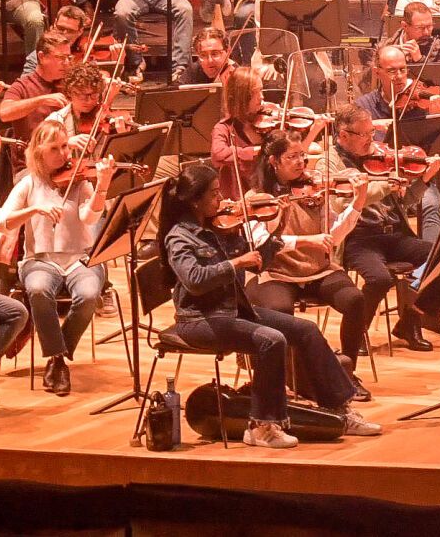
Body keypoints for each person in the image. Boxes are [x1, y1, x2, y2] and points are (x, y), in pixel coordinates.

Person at [157, 160, 379, 449]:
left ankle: (339, 408)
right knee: (270, 341)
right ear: (195, 201)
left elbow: (259, 254)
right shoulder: (179, 238)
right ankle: (262, 425)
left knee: (306, 330)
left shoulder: (219, 227)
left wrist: (275, 228)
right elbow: (195, 280)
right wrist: (237, 262)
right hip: (199, 320)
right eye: (214, 194)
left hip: (231, 310)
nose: (223, 200)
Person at [0, 122, 116, 395]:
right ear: (38, 152)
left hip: (80, 258)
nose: (63, 154)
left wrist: (102, 186)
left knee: (90, 293)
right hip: (40, 259)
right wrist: (34, 208)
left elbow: (90, 217)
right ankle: (57, 358)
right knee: (37, 289)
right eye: (54, 148)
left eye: (65, 147)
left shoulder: (79, 180)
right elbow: (2, 222)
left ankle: (57, 355)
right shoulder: (28, 183)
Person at [321, 106, 440, 353]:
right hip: (359, 238)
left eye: (372, 132)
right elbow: (339, 202)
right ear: (344, 134)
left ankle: (412, 318)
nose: (372, 139)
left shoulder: (381, 157)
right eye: (364, 134)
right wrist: (385, 186)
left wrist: (424, 180)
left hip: (393, 233)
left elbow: (405, 203)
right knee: (380, 279)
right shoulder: (329, 163)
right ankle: (356, 334)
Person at [249, 132, 372, 376]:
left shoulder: (312, 193)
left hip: (317, 271)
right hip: (276, 274)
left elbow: (333, 237)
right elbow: (260, 242)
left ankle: (347, 372)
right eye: (292, 157)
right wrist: (303, 239)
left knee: (355, 300)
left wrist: (357, 203)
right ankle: (290, 375)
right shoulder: (257, 199)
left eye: (302, 156)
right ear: (273, 161)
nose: (301, 162)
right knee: (280, 310)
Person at [209, 67, 272, 198]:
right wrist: (255, 151)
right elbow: (217, 155)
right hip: (239, 201)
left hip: (270, 194)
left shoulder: (268, 124)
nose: (262, 97)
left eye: (261, 90)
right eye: (256, 92)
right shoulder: (224, 128)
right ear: (242, 97)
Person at [394, 0, 440, 66]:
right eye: (420, 27)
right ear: (405, 26)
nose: (426, 32)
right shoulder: (387, 47)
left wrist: (420, 59)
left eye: (429, 26)